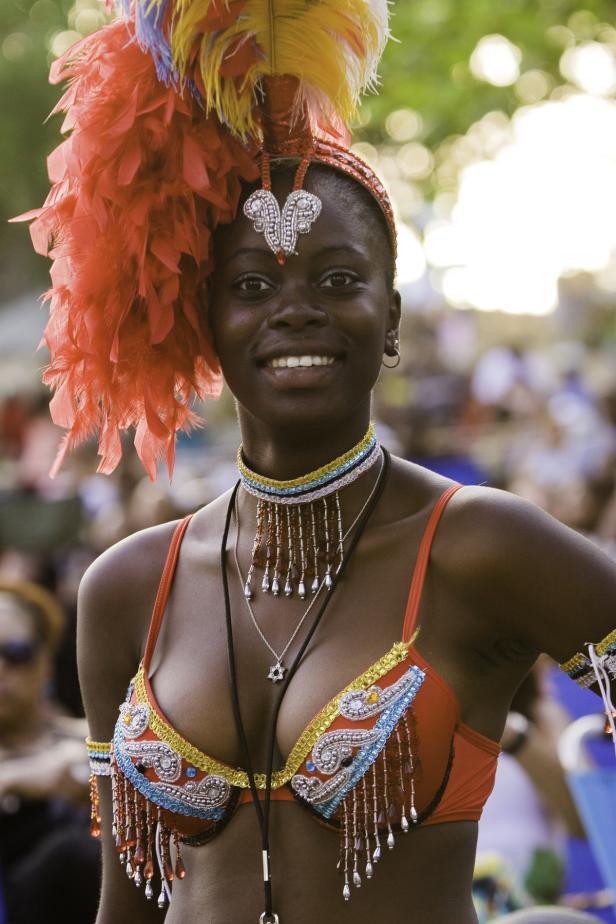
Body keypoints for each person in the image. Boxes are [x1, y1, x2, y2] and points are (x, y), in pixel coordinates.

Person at [15, 2, 616, 922]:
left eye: (339, 280)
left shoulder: (477, 545)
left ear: (392, 319)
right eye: (252, 286)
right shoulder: (128, 585)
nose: (295, 311)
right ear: (208, 323)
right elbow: (125, 903)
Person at [0, 579, 100, 923]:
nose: (1, 669)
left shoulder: (88, 738)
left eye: (15, 654)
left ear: (45, 661)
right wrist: (18, 778)